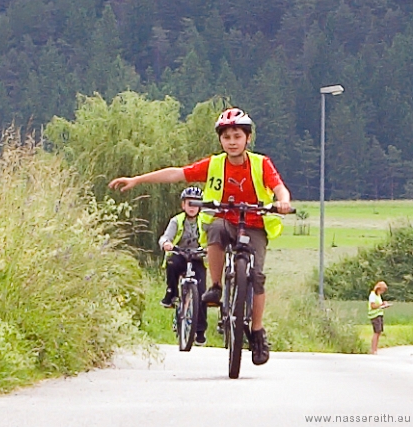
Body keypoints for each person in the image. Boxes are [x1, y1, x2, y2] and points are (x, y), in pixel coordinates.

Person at [108, 107, 292, 366]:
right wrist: (137, 179)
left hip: (254, 223)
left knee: (257, 278)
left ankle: (258, 332)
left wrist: (283, 202)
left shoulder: (261, 164)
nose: (232, 141)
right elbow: (177, 173)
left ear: (247, 138)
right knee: (215, 229)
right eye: (226, 137)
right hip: (225, 220)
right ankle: (216, 286)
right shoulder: (215, 164)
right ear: (220, 140)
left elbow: (279, 187)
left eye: (237, 136)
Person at [158, 186, 208, 346]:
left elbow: (213, 237)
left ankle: (200, 331)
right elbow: (165, 237)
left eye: (196, 203)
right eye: (189, 203)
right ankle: (171, 293)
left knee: (201, 293)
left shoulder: (205, 221)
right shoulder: (177, 220)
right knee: (172, 263)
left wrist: (210, 248)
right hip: (180, 254)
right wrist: (166, 243)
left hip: (198, 257)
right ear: (183, 205)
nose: (193, 207)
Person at [368, 281, 390, 355]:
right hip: (374, 315)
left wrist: (383, 304)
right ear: (378, 288)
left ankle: (375, 349)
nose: (383, 291)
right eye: (382, 289)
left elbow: (378, 305)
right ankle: (373, 349)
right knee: (376, 332)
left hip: (379, 314)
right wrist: (381, 305)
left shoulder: (378, 296)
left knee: (379, 332)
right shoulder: (373, 295)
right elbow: (373, 306)